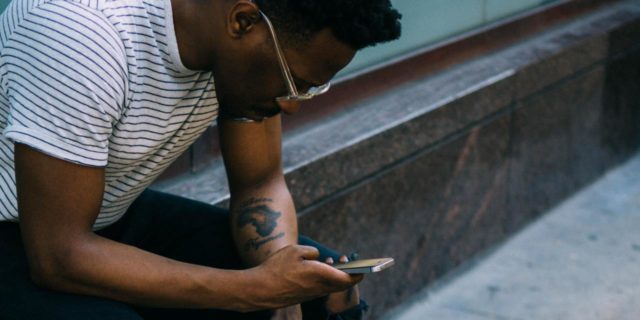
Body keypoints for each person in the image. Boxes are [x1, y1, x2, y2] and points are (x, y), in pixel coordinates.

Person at [0, 0, 401, 318]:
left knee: (323, 291)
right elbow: (58, 256)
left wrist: (283, 289)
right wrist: (254, 290)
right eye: (293, 83)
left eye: (310, 90)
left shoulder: (240, 50)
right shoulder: (81, 33)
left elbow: (259, 183)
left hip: (107, 214)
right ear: (243, 21)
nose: (291, 106)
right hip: (26, 235)